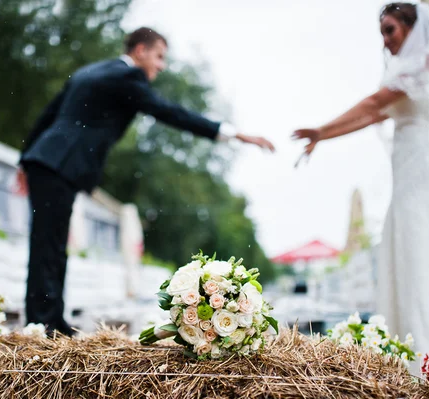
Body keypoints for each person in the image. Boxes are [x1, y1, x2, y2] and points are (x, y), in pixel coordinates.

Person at [18, 27, 275, 336]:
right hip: (59, 164)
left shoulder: (91, 70)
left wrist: (26, 158)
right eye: (159, 56)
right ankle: (42, 324)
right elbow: (169, 111)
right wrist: (231, 132)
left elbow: (49, 115)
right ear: (140, 50)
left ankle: (49, 322)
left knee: (51, 244)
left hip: (47, 160)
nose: (162, 65)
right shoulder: (128, 78)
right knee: (49, 246)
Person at [293, 3, 429, 372]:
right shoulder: (408, 71)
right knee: (410, 252)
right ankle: (419, 355)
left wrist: (320, 127)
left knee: (426, 248)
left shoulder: (425, 64)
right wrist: (324, 137)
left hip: (427, 172)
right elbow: (373, 115)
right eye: (382, 32)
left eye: (390, 29)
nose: (385, 39)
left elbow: (375, 102)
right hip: (410, 176)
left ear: (412, 27)